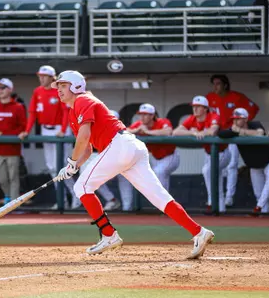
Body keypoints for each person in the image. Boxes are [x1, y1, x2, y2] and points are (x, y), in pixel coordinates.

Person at [52, 70, 214, 258]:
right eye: (59, 86)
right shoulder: (74, 111)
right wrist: (74, 167)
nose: (59, 90)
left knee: (82, 187)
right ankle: (199, 232)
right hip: (130, 147)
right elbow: (87, 148)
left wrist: (72, 162)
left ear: (76, 86)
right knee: (159, 198)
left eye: (63, 86)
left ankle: (109, 235)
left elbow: (84, 137)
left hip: (118, 146)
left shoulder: (83, 100)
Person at [18, 65, 76, 210]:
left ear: (52, 78)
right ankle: (61, 200)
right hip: (46, 129)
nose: (41, 78)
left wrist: (63, 130)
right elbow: (32, 113)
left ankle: (76, 196)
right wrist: (27, 131)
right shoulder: (37, 91)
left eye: (44, 76)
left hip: (60, 129)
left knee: (62, 167)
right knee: (51, 168)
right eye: (40, 76)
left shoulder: (59, 90)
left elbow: (65, 112)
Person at [206, 74, 259, 207]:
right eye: (214, 84)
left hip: (232, 134)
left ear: (225, 85)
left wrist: (241, 125)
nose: (215, 86)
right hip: (217, 135)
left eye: (218, 83)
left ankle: (229, 196)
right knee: (211, 166)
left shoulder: (237, 97)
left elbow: (253, 108)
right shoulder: (210, 97)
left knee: (232, 165)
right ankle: (214, 198)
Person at [172, 96, 230, 213]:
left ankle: (211, 203)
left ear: (205, 108)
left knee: (207, 171)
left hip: (222, 152)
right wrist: (193, 132)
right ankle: (220, 207)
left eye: (198, 107)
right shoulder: (192, 119)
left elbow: (213, 131)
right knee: (214, 177)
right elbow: (176, 132)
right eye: (194, 106)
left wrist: (202, 132)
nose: (195, 109)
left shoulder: (213, 116)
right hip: (209, 154)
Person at [218, 108, 269, 215]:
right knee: (258, 195)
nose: (235, 122)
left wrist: (241, 132)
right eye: (234, 119)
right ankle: (264, 217)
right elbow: (221, 134)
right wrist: (234, 131)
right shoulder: (234, 131)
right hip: (254, 166)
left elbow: (260, 133)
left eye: (238, 119)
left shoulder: (254, 124)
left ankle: (258, 208)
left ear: (245, 119)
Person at [0, 78, 26, 204]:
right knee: (1, 178)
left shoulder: (18, 107)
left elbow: (22, 126)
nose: (0, 91)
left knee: (13, 177)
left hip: (13, 149)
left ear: (10, 89)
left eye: (3, 88)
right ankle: (8, 198)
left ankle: (13, 203)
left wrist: (8, 134)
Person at [127, 103, 180, 192]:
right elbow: (125, 131)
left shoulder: (162, 122)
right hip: (155, 157)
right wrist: (136, 130)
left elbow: (168, 131)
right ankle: (165, 203)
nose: (142, 117)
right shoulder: (139, 125)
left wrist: (148, 132)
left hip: (170, 156)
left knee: (158, 172)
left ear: (152, 116)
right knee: (160, 177)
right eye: (140, 114)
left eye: (145, 114)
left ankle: (163, 203)